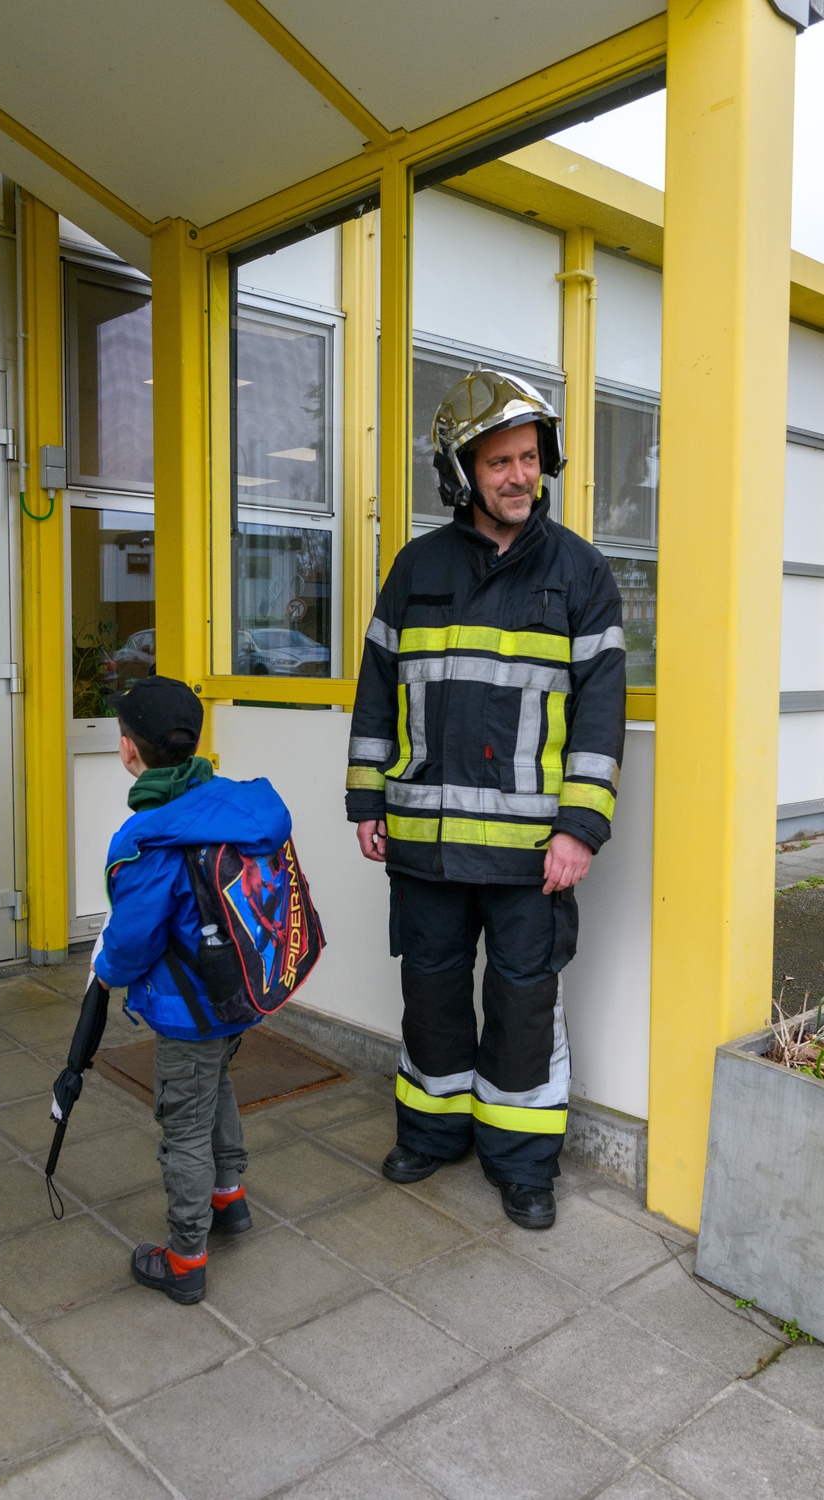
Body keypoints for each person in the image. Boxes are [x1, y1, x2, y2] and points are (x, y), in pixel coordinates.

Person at [345, 370, 626, 1231]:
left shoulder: (581, 573)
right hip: (424, 843)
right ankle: (430, 1134)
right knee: (429, 991)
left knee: (521, 1003)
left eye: (529, 458)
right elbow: (376, 688)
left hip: (529, 851)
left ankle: (522, 1162)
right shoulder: (416, 568)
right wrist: (366, 801)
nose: (518, 476)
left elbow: (600, 712)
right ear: (461, 471)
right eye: (499, 460)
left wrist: (580, 827)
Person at [92, 675, 291, 1302]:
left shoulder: (153, 838)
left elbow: (130, 946)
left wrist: (104, 969)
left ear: (130, 751)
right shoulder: (232, 804)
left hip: (186, 1007)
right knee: (216, 1087)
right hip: (238, 991)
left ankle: (184, 1260)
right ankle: (229, 1198)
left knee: (182, 1123)